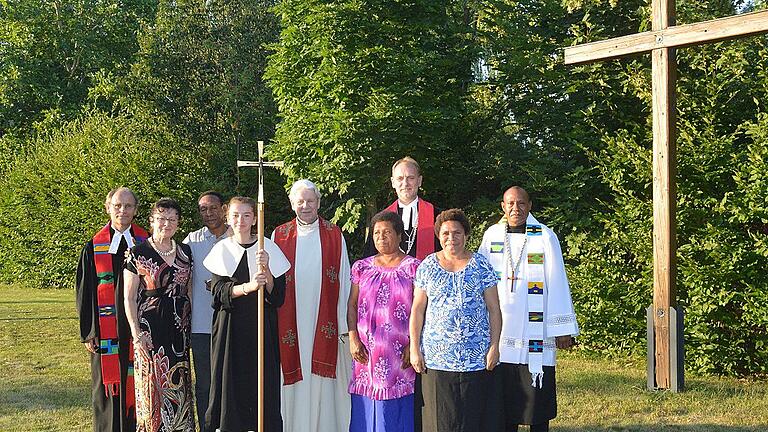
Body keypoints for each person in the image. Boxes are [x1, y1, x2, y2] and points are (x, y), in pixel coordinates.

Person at [477, 186, 579, 432]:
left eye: (521, 203)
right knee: (504, 401)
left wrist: (562, 328)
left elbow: (556, 280)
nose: (516, 208)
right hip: (501, 331)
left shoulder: (545, 237)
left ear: (530, 205)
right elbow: (479, 278)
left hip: (535, 329)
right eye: (510, 203)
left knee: (537, 401)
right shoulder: (491, 236)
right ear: (502, 206)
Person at [203, 196, 291, 432]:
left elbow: (278, 297)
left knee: (262, 384)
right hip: (230, 329)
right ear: (227, 217)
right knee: (229, 382)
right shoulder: (221, 249)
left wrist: (268, 271)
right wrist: (248, 288)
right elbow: (218, 293)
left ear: (255, 218)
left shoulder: (268, 247)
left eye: (246, 215)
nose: (240, 220)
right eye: (235, 215)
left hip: (261, 329)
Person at [409, 209, 502, 432]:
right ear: (438, 236)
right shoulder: (428, 266)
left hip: (475, 357)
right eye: (446, 233)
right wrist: (414, 348)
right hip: (437, 357)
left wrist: (494, 346)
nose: (451, 238)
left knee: (473, 418)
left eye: (457, 233)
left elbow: (494, 309)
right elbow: (418, 310)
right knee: (439, 419)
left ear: (466, 235)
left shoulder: (481, 265)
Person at [271, 179, 352, 432]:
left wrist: (342, 324)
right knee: (293, 376)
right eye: (300, 201)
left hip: (325, 321)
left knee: (322, 382)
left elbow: (344, 278)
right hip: (290, 321)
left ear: (318, 202)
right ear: (292, 203)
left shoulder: (334, 234)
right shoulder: (279, 235)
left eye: (310, 201)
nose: (305, 206)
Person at [76, 187, 148, 432]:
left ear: (135, 211)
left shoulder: (146, 243)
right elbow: (85, 292)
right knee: (107, 386)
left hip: (138, 326)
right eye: (117, 205)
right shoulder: (93, 247)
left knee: (138, 381)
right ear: (108, 207)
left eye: (128, 206)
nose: (122, 210)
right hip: (107, 329)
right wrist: (89, 331)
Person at [123, 198, 195, 432]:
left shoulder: (185, 252)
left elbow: (189, 291)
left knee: (180, 387)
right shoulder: (137, 253)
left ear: (178, 223)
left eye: (172, 219)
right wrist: (136, 334)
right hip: (149, 331)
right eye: (162, 218)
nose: (167, 224)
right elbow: (129, 298)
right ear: (152, 221)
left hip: (178, 330)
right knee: (151, 388)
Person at [347, 211, 420, 432]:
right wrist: (352, 338)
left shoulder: (415, 268)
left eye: (387, 232)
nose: (381, 237)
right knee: (366, 408)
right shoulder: (361, 267)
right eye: (377, 233)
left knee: (395, 410)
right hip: (365, 352)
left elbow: (421, 310)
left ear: (399, 235)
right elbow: (351, 305)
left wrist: (413, 346)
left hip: (398, 354)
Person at [182, 190, 229, 432]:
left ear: (224, 208)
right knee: (205, 384)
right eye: (203, 209)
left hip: (232, 325)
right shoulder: (192, 241)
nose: (208, 213)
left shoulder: (238, 236)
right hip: (201, 325)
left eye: (213, 207)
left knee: (231, 381)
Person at [363, 157, 441, 260]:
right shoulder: (380, 220)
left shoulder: (437, 217)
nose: (405, 183)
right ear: (393, 182)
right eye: (400, 178)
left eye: (410, 178)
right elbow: (370, 259)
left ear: (419, 181)